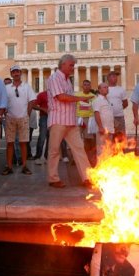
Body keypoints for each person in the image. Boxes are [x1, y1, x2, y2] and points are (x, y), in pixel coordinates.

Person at [46, 54, 92, 188]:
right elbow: (61, 97)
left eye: (73, 65)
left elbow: (68, 97)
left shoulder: (67, 80)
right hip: (58, 120)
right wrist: (80, 99)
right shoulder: (54, 78)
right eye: (71, 65)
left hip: (70, 121)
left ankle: (87, 177)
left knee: (79, 149)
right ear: (63, 64)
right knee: (54, 150)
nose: (73, 68)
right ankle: (53, 178)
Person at [2, 64, 36, 176]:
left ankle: (24, 165)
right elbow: (3, 101)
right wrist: (5, 111)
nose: (16, 74)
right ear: (11, 74)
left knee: (23, 143)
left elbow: (32, 100)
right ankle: (9, 166)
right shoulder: (6, 88)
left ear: (20, 73)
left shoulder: (27, 86)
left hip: (23, 118)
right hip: (10, 118)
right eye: (14, 72)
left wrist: (27, 113)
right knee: (10, 143)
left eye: (17, 72)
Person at [75, 80, 96, 166]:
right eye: (85, 85)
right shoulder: (77, 95)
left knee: (88, 140)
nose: (86, 86)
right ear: (82, 86)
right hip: (79, 118)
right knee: (77, 140)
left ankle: (88, 157)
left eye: (88, 85)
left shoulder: (93, 96)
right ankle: (77, 158)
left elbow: (95, 107)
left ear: (90, 86)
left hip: (89, 119)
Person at [93, 82, 114, 157]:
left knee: (109, 150)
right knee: (101, 151)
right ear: (99, 89)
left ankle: (108, 167)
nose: (107, 89)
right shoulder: (97, 100)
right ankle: (100, 167)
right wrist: (100, 127)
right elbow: (96, 113)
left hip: (110, 129)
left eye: (107, 87)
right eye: (104, 87)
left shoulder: (107, 100)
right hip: (102, 129)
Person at [106, 71, 128, 143]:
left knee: (120, 137)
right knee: (109, 137)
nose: (115, 78)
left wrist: (118, 109)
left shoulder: (121, 89)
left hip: (119, 117)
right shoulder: (105, 89)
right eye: (113, 76)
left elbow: (125, 103)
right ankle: (110, 153)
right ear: (108, 78)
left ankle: (120, 152)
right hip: (108, 118)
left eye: (116, 76)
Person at [33, 90, 49, 165]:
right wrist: (43, 109)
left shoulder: (57, 94)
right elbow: (33, 105)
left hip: (54, 118)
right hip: (44, 117)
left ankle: (47, 157)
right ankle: (38, 157)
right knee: (42, 137)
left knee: (51, 139)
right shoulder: (42, 95)